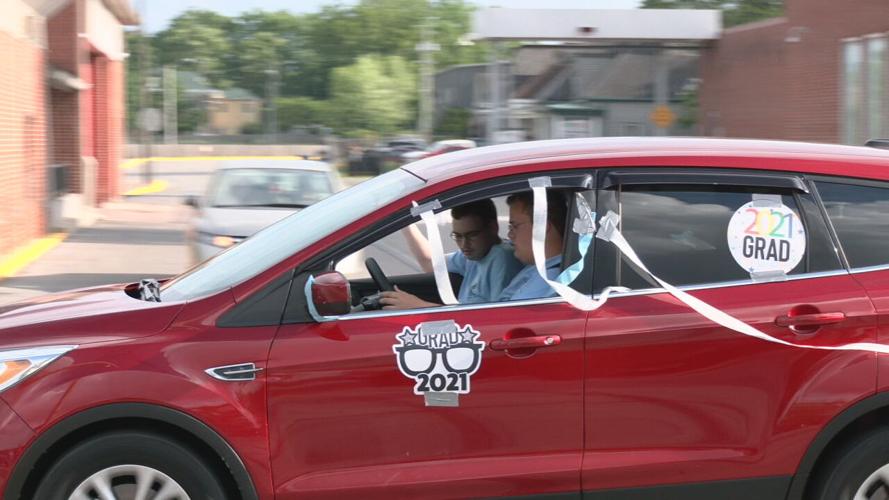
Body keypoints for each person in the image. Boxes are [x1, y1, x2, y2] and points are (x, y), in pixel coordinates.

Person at [380, 199, 523, 309]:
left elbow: (494, 317)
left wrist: (419, 306)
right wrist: (405, 223)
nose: (464, 244)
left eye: (472, 235)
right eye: (458, 236)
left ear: (493, 228)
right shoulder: (474, 254)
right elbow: (431, 263)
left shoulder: (502, 259)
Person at [497, 190, 567, 301]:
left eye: (515, 226)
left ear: (542, 227)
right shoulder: (541, 270)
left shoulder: (548, 279)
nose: (510, 235)